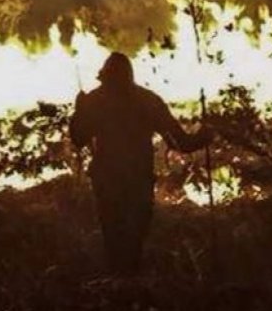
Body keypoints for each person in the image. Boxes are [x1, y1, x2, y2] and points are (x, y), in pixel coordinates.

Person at [70, 52, 212, 276]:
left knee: (114, 236)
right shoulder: (147, 100)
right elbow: (180, 142)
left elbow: (78, 138)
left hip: (109, 180)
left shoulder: (97, 100)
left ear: (105, 77)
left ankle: (120, 285)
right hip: (137, 179)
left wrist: (80, 111)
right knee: (134, 235)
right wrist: (203, 136)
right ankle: (129, 283)